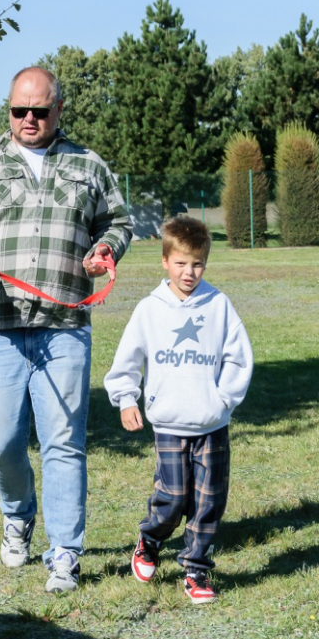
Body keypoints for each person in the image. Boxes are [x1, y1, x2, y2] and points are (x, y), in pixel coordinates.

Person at [0, 66, 132, 593]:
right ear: (8, 110)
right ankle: (17, 513)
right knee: (0, 444)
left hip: (64, 326)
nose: (29, 119)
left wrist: (105, 250)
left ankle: (65, 554)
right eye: (18, 110)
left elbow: (117, 222)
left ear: (58, 111)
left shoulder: (87, 164)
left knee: (64, 442)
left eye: (39, 111)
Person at [103, 216, 253, 603]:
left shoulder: (219, 305)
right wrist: (126, 399)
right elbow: (127, 362)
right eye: (182, 263)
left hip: (211, 424)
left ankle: (196, 570)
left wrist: (223, 400)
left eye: (198, 264)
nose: (190, 272)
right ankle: (150, 540)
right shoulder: (149, 310)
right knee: (172, 499)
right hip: (169, 424)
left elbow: (239, 358)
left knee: (208, 501)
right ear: (165, 261)